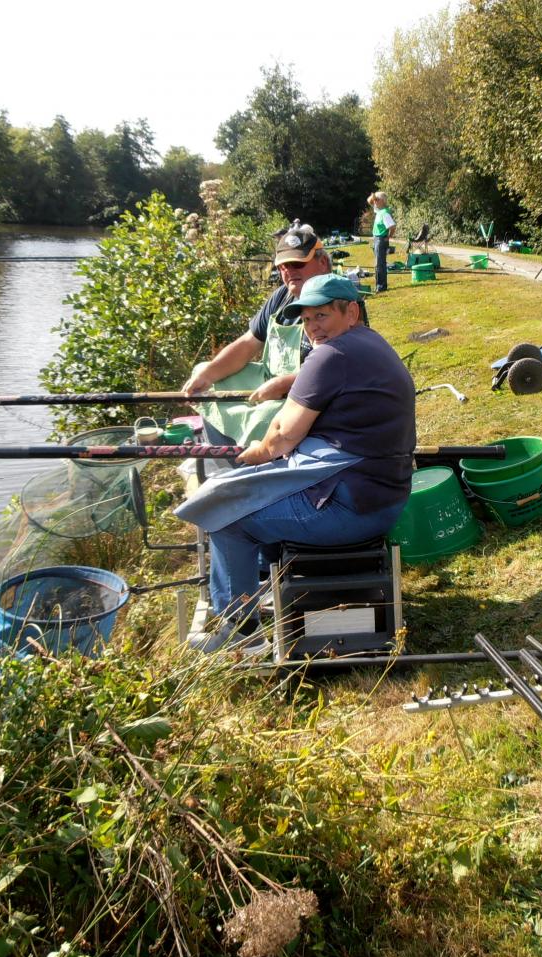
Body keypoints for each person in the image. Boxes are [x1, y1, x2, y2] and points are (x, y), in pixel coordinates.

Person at [175, 274, 415, 650]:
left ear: (351, 312)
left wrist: (250, 456)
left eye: (322, 316)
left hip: (354, 507)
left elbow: (282, 436)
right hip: (382, 492)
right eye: (306, 320)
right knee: (250, 495)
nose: (313, 328)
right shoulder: (369, 342)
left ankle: (241, 633)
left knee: (227, 516)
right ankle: (263, 587)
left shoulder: (331, 356)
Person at [181, 223, 332, 447]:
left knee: (265, 417)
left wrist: (284, 384)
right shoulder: (281, 296)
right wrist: (209, 374)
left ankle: (248, 457)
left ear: (323, 263)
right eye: (283, 266)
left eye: (298, 263)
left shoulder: (338, 298)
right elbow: (247, 343)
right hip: (269, 377)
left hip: (307, 390)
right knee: (203, 374)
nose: (289, 271)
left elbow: (336, 366)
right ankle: (231, 448)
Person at [368, 191, 395, 293]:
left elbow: (392, 227)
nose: (375, 202)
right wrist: (374, 196)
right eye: (375, 200)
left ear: (383, 201)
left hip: (381, 239)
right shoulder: (378, 210)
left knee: (380, 264)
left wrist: (388, 237)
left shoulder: (384, 213)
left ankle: (381, 286)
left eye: (377, 200)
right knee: (378, 264)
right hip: (377, 239)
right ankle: (379, 285)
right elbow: (369, 201)